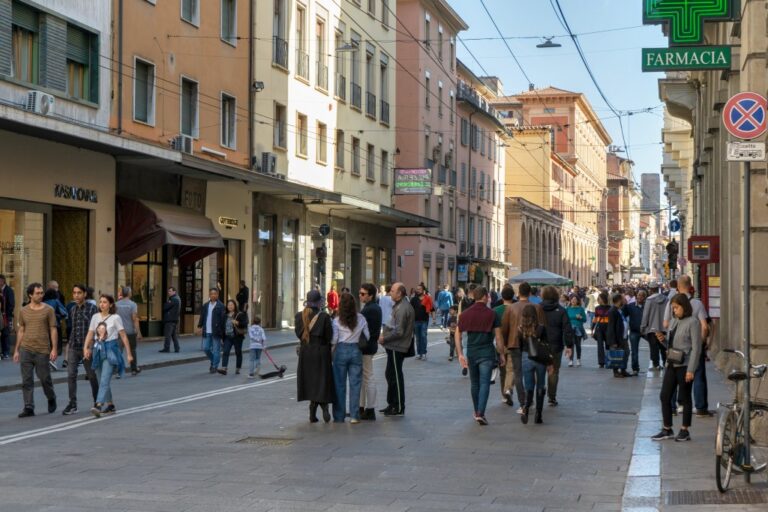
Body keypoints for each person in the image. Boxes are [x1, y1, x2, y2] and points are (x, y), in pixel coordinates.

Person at [651, 294, 702, 442]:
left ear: (684, 307)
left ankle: (685, 429)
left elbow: (696, 348)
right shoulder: (674, 321)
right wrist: (662, 340)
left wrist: (691, 369)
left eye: (676, 308)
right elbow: (670, 344)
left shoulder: (693, 322)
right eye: (673, 308)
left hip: (685, 365)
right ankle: (667, 428)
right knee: (664, 395)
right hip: (672, 363)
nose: (674, 311)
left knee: (685, 398)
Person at [455, 286, 504, 426]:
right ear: (485, 297)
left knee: (475, 383)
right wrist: (501, 354)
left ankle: (477, 410)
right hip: (487, 352)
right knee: (484, 383)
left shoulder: (465, 314)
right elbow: (499, 338)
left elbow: (457, 334)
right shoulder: (492, 314)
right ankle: (480, 412)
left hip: (471, 352)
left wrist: (460, 354)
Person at [83, 295, 133, 417]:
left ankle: (99, 405)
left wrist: (129, 354)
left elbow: (123, 336)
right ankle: (110, 405)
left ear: (110, 304)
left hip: (111, 349)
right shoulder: (95, 317)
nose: (102, 304)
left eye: (105, 302)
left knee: (105, 378)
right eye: (100, 302)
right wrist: (86, 348)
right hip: (98, 349)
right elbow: (90, 333)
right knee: (101, 380)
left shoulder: (116, 318)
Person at [668, 275, 710, 416]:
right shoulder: (697, 304)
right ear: (690, 285)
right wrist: (702, 342)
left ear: (678, 287)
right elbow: (704, 327)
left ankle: (672, 406)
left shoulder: (673, 302)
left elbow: (667, 325)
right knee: (698, 376)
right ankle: (700, 407)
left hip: (677, 348)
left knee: (674, 377)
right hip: (693, 347)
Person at [14, 283, 58, 417]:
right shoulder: (23, 311)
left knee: (45, 378)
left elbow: (53, 329)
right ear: (30, 295)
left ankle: (51, 397)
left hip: (42, 350)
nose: (41, 295)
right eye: (38, 293)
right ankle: (29, 407)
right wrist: (16, 350)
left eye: (42, 292)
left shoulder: (49, 309)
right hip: (26, 349)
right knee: (27, 380)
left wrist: (54, 349)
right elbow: (21, 330)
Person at [500, 282, 543, 414]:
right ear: (530, 293)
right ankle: (531, 401)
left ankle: (523, 402)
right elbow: (542, 326)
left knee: (518, 374)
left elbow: (504, 329)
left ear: (518, 293)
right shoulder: (537, 307)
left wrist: (507, 343)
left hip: (515, 344)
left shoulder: (511, 308)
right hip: (533, 344)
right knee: (532, 373)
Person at [295, 290, 334, 423]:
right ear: (319, 302)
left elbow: (298, 334)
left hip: (306, 352)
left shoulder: (299, 316)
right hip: (321, 352)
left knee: (310, 381)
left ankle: (312, 410)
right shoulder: (324, 317)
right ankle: (324, 406)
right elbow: (329, 336)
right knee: (322, 380)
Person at [331, 292, 369, 424]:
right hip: (355, 350)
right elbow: (368, 336)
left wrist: (331, 352)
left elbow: (334, 340)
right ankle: (354, 415)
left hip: (340, 351)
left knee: (339, 385)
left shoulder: (336, 320)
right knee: (355, 384)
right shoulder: (361, 318)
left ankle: (339, 416)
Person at [378, 282, 414, 416]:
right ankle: (392, 403)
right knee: (390, 374)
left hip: (397, 346)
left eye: (392, 291)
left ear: (399, 293)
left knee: (396, 376)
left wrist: (385, 339)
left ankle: (398, 406)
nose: (390, 293)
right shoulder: (398, 306)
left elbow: (399, 331)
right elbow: (390, 323)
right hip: (393, 345)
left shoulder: (403, 308)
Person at [62, 284, 99, 415]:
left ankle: (97, 402)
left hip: (86, 348)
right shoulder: (72, 310)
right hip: (73, 346)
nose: (76, 295)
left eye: (79, 293)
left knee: (92, 376)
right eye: (74, 293)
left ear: (85, 294)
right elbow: (72, 329)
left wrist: (90, 346)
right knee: (71, 375)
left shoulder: (92, 309)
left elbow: (96, 329)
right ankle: (72, 404)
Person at [517, 304, 552, 425]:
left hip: (526, 357)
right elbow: (547, 345)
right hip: (540, 358)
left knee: (528, 385)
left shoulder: (520, 329)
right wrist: (550, 363)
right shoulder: (541, 328)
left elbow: (520, 346)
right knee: (541, 384)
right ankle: (538, 414)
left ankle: (526, 407)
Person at [540, 286, 574, 406]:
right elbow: (567, 329)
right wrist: (569, 346)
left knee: (539, 371)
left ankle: (538, 394)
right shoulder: (561, 310)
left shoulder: (537, 309)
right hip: (556, 345)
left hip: (539, 346)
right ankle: (552, 397)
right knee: (553, 371)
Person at [358, 283, 382, 421]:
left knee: (368, 377)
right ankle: (361, 408)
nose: (360, 296)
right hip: (369, 345)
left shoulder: (369, 309)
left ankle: (370, 409)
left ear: (371, 295)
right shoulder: (372, 307)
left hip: (366, 347)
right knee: (364, 377)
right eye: (360, 293)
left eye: (363, 294)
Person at [493, 284, 516, 406]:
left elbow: (493, 329)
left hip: (500, 343)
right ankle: (508, 389)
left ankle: (504, 394)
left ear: (502, 296)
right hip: (514, 342)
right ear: (513, 296)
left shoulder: (496, 310)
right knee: (511, 369)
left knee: (502, 369)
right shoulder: (516, 308)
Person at [197, 288, 226, 374]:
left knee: (216, 350)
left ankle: (214, 366)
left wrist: (222, 332)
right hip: (207, 330)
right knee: (206, 348)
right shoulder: (206, 305)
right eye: (211, 294)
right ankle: (214, 361)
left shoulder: (221, 306)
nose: (213, 295)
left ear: (217, 295)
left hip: (216, 331)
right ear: (209, 295)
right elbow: (203, 316)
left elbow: (223, 320)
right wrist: (199, 326)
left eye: (215, 294)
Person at [641, 283, 668, 370]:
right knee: (664, 346)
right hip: (664, 327)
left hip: (652, 328)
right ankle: (665, 362)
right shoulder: (666, 299)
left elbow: (645, 315)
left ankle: (656, 365)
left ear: (651, 290)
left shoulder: (649, 300)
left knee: (654, 347)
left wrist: (643, 326)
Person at [116, 286, 142, 376]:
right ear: (129, 293)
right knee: (132, 350)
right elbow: (134, 319)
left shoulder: (116, 304)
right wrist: (138, 332)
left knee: (119, 351)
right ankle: (134, 369)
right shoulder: (133, 304)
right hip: (130, 331)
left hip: (119, 332)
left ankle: (119, 371)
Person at [219, 299, 248, 375]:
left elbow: (245, 324)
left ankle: (238, 368)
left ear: (235, 306)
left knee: (238, 352)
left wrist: (237, 322)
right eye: (228, 305)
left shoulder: (239, 314)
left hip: (237, 337)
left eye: (232, 305)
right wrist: (221, 338)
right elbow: (222, 327)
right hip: (227, 337)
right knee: (225, 352)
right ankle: (224, 368)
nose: (230, 306)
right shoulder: (225, 315)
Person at [606, 293, 632, 378]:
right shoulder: (612, 311)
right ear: (619, 300)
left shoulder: (619, 309)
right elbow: (611, 327)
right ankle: (616, 371)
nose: (625, 300)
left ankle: (623, 370)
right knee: (616, 354)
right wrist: (613, 341)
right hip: (617, 338)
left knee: (626, 353)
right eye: (623, 299)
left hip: (623, 337)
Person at [43, 287, 68, 371]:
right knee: (54, 344)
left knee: (46, 343)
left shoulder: (42, 302)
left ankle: (45, 361)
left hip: (43, 326)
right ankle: (53, 360)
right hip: (54, 325)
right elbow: (64, 312)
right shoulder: (56, 301)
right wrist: (59, 317)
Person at [625, 290, 647, 375]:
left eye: (642, 295)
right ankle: (635, 368)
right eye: (638, 295)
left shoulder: (647, 306)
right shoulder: (630, 306)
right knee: (634, 351)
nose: (639, 297)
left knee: (654, 346)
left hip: (645, 331)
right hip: (634, 331)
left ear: (645, 297)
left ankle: (655, 363)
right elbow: (622, 314)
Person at [410, 284, 430, 360]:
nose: (417, 290)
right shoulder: (413, 299)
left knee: (423, 337)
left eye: (419, 289)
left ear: (423, 290)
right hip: (416, 321)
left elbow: (432, 309)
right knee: (418, 338)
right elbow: (410, 310)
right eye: (417, 289)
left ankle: (424, 353)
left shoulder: (427, 298)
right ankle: (419, 353)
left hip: (424, 320)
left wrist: (434, 319)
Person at [566, 296, 587, 367]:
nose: (573, 300)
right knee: (570, 345)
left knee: (578, 345)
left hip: (578, 328)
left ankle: (578, 359)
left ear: (578, 301)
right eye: (572, 299)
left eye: (575, 299)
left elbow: (585, 319)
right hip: (569, 329)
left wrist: (581, 317)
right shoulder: (567, 309)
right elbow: (565, 319)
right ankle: (570, 360)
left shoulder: (580, 309)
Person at [160, 287, 181, 353]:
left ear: (174, 292)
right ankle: (177, 348)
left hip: (170, 320)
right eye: (168, 291)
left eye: (170, 291)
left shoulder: (173, 299)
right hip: (174, 319)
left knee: (168, 335)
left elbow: (165, 307)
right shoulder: (177, 298)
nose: (169, 292)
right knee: (173, 335)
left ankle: (167, 348)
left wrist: (167, 303)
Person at [593, 292, 611, 368]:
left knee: (608, 345)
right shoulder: (597, 308)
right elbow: (595, 318)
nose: (598, 300)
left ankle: (608, 361)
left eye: (599, 299)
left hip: (608, 328)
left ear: (603, 299)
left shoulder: (610, 308)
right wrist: (592, 328)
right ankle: (601, 362)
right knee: (600, 345)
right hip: (600, 328)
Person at [0, 274, 16, 359]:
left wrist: (8, 314)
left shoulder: (8, 290)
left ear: (2, 281)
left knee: (5, 334)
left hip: (6, 315)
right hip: (1, 315)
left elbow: (11, 303)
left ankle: (6, 352)